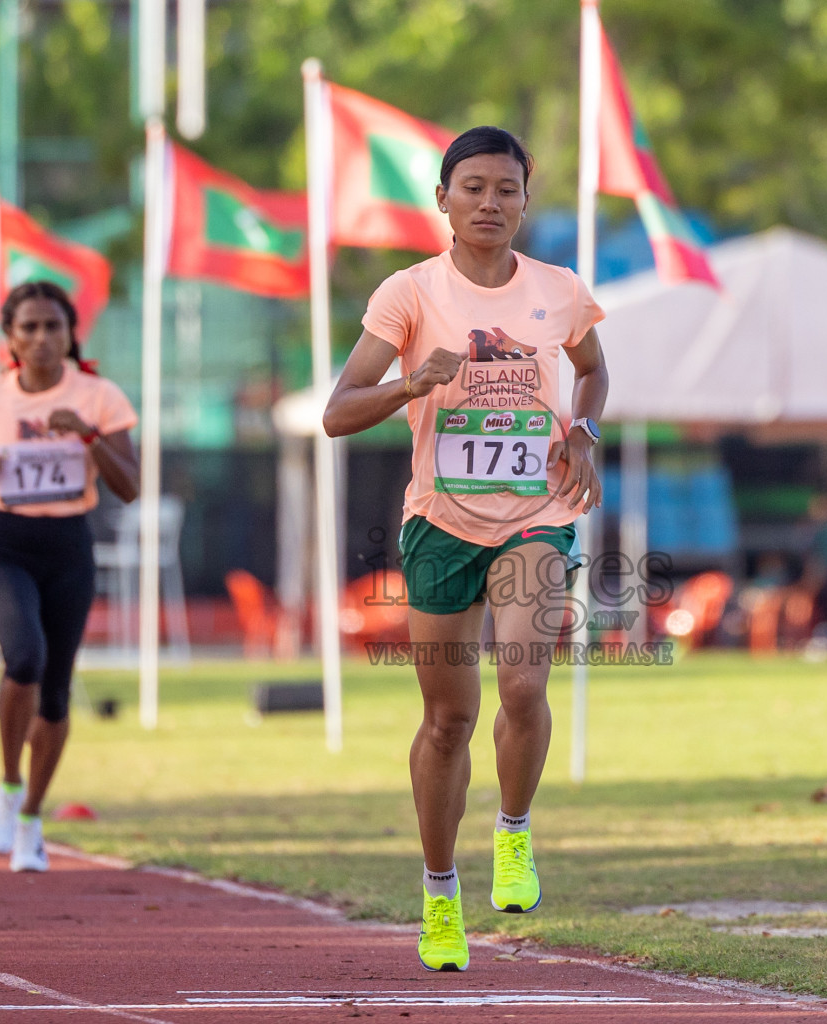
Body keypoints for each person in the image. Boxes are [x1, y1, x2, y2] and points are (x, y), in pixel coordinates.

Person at [323, 126, 608, 972]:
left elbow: (593, 368)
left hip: (537, 513)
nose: (491, 203)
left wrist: (585, 428)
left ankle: (514, 835)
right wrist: (410, 383)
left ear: (526, 200)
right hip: (439, 525)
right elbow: (338, 412)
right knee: (449, 720)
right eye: (474, 188)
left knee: (523, 681)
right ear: (443, 199)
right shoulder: (409, 294)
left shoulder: (559, 290)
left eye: (508, 190)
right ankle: (440, 894)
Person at [0, 281, 138, 872]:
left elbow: (128, 486)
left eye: (53, 326)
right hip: (2, 543)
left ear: (71, 334)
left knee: (55, 691)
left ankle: (30, 819)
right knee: (24, 654)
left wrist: (87, 434)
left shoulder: (99, 396)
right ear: (10, 339)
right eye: (29, 327)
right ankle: (6, 784)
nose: (43, 338)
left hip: (68, 548)